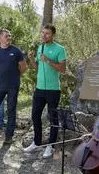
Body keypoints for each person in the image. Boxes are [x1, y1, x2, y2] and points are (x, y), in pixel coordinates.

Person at [23, 24, 67, 158]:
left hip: (53, 90)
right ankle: (36, 142)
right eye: (42, 33)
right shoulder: (40, 47)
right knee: (35, 115)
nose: (44, 35)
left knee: (53, 118)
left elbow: (62, 69)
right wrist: (31, 59)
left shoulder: (60, 49)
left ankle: (51, 146)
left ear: (53, 35)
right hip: (39, 89)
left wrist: (48, 60)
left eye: (47, 33)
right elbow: (37, 67)